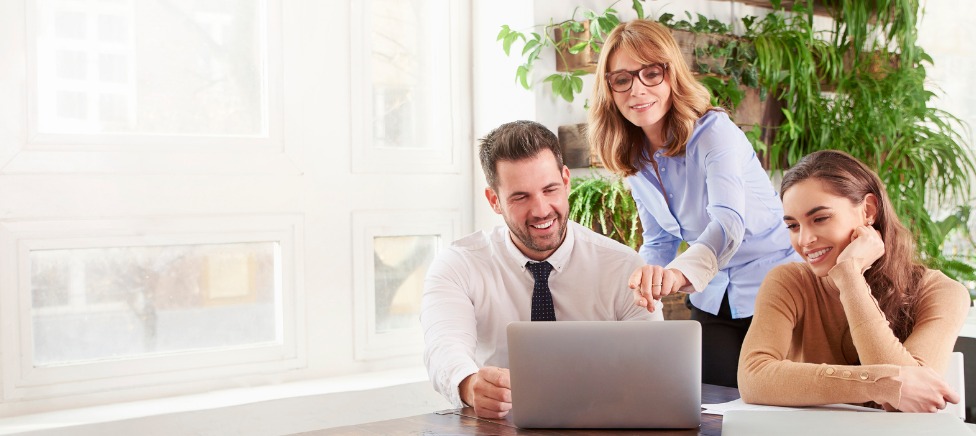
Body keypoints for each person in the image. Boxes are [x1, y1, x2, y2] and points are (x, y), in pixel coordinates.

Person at [587, 19, 800, 387]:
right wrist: (640, 286)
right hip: (714, 295)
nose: (637, 90)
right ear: (609, 89)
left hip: (777, 288)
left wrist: (676, 275)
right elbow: (659, 241)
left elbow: (728, 224)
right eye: (622, 79)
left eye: (651, 73)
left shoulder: (714, 132)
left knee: (770, 397)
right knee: (704, 398)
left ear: (671, 74)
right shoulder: (633, 155)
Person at [421, 120, 661, 419]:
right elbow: (444, 347)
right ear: (494, 200)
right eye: (520, 197)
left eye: (550, 189)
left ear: (566, 180)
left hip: (603, 420)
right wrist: (469, 385)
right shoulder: (459, 265)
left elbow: (653, 366)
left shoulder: (623, 267)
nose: (541, 210)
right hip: (502, 425)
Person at [738, 150, 970, 412]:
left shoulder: (942, 292)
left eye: (820, 219)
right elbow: (753, 378)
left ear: (868, 210)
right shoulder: (790, 282)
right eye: (793, 226)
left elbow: (906, 403)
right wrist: (877, 384)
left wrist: (849, 275)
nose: (804, 240)